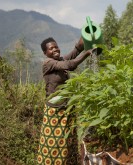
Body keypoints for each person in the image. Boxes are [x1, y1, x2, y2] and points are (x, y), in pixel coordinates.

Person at [36, 37, 94, 165]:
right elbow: (70, 65)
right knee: (54, 145)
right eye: (51, 48)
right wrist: (86, 53)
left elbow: (72, 55)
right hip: (54, 112)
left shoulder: (59, 60)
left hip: (67, 108)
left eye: (56, 46)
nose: (55, 49)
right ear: (45, 53)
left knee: (67, 142)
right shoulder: (48, 63)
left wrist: (81, 44)